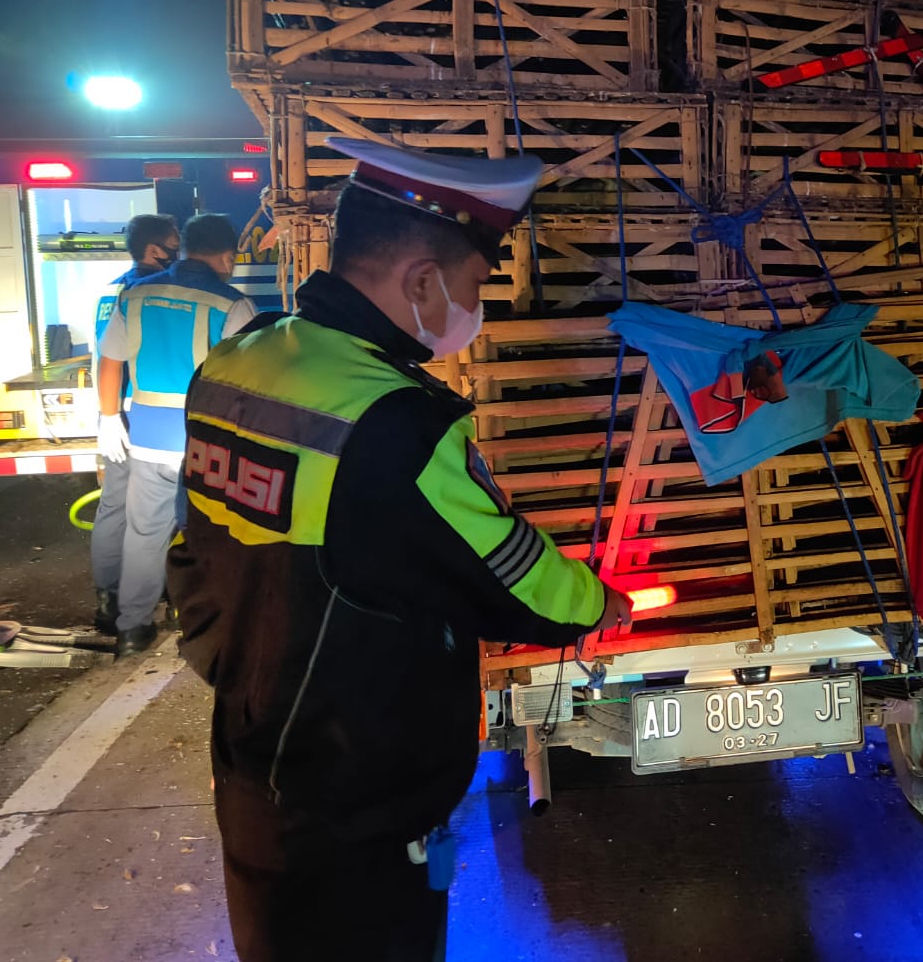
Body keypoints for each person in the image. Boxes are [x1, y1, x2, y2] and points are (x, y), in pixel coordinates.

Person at [166, 138, 633, 962]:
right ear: (422, 281)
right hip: (354, 791)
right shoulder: (392, 421)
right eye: (473, 284)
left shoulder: (244, 360)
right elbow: (511, 576)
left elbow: (192, 542)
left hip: (254, 749)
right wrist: (599, 603)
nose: (472, 306)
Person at [96, 213, 256, 656]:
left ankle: (132, 628)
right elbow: (246, 379)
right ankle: (205, 619)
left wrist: (110, 417)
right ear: (227, 256)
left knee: (144, 533)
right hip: (206, 440)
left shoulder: (137, 293)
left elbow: (110, 360)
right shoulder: (232, 304)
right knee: (209, 531)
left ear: (183, 249)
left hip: (146, 435)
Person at [90, 214, 181, 634]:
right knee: (152, 515)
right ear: (154, 250)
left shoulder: (111, 288)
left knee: (114, 506)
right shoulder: (147, 292)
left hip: (112, 410)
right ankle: (153, 598)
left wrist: (106, 416)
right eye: (173, 241)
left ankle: (108, 599)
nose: (178, 248)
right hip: (138, 411)